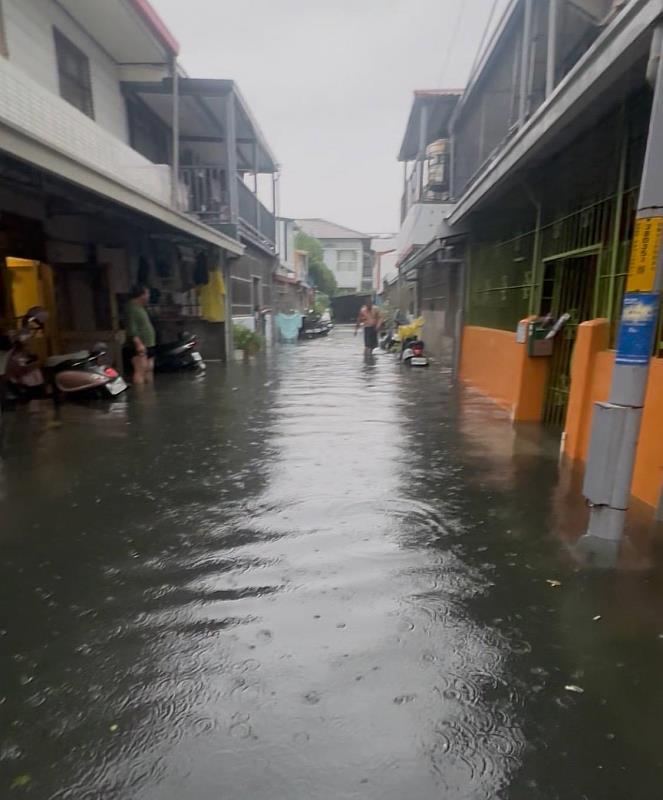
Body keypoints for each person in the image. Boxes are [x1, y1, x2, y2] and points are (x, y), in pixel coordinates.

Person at [126, 285, 156, 385]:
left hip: (149, 343)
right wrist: (138, 344)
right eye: (147, 294)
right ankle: (141, 397)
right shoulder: (131, 308)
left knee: (149, 369)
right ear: (141, 295)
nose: (149, 296)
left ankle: (149, 394)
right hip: (140, 345)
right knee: (140, 371)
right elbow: (131, 329)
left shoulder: (140, 308)